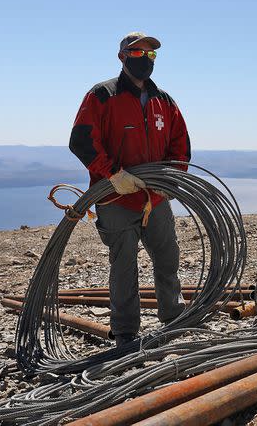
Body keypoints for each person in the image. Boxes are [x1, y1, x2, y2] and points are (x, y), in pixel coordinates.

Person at [69, 32, 191, 346]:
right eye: (138, 54)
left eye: (151, 55)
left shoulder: (163, 101)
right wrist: (113, 175)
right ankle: (125, 333)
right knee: (123, 266)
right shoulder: (102, 95)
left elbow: (180, 145)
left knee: (168, 259)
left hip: (155, 198)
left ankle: (173, 317)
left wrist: (172, 179)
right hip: (115, 198)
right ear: (122, 56)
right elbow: (81, 141)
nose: (146, 60)